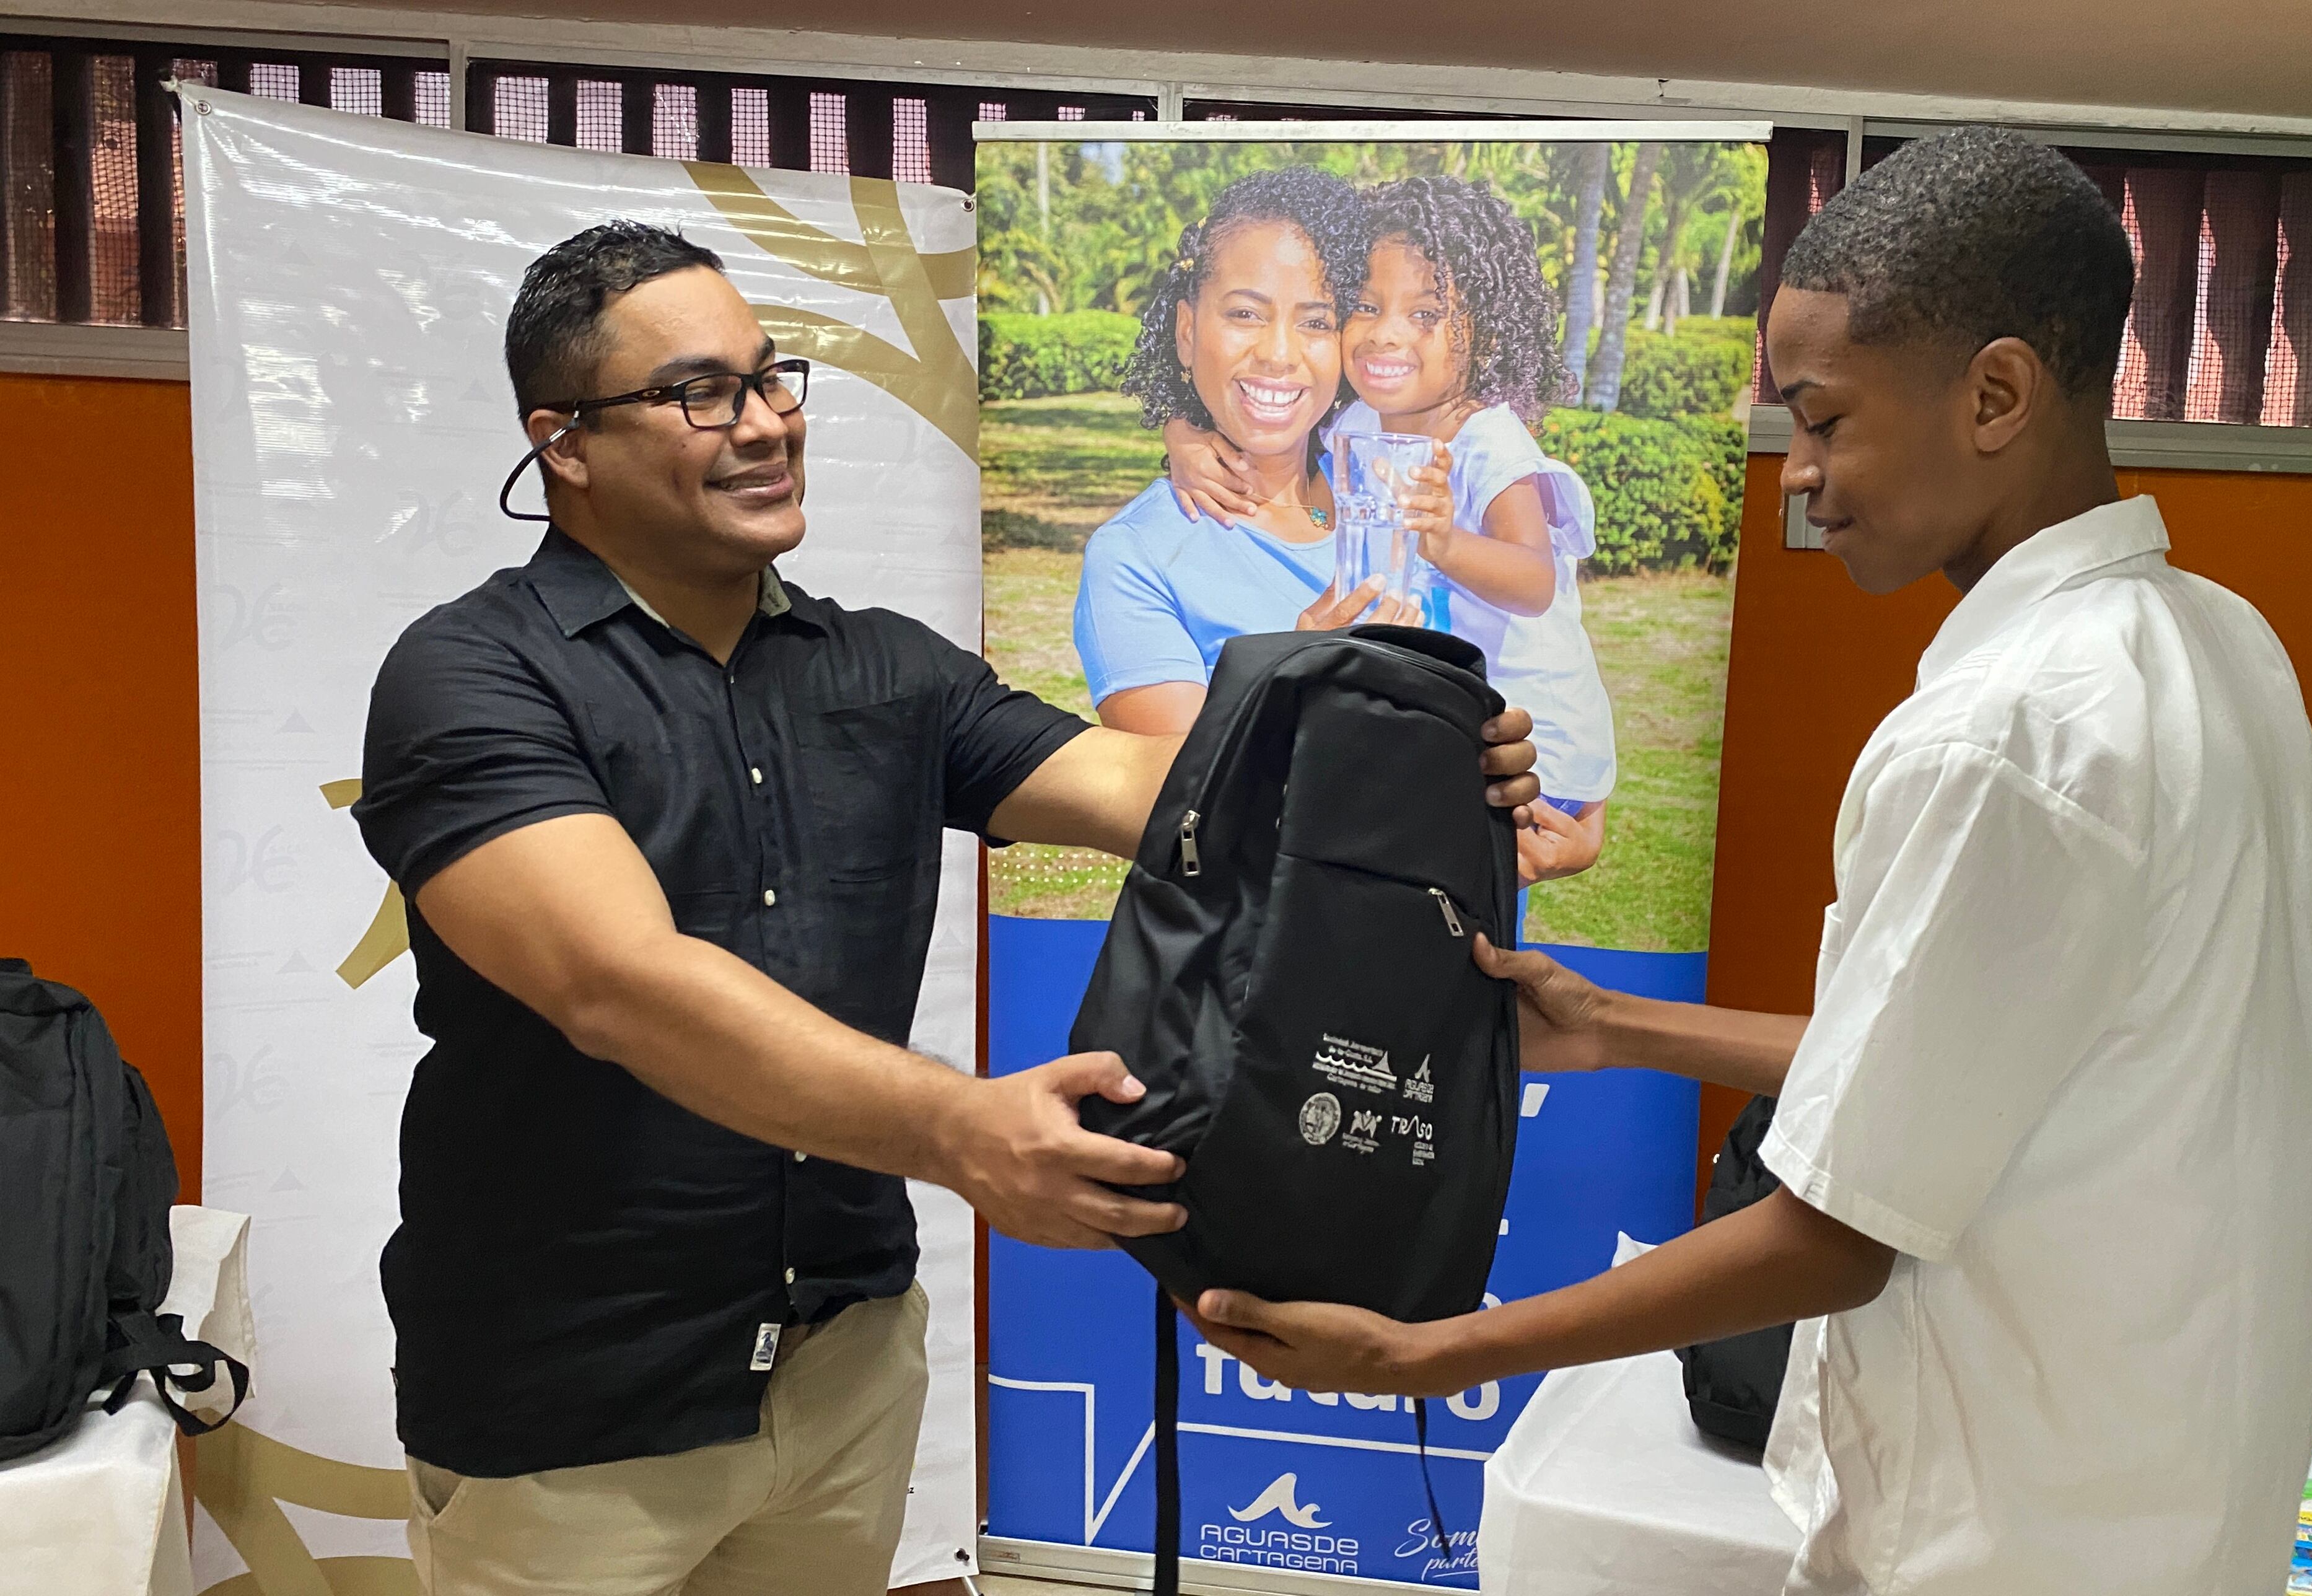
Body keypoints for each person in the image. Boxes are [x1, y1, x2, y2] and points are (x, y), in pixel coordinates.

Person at [1188, 126, 2312, 1596]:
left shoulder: (2003, 735)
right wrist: (1612, 1026)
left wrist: (1432, 1352)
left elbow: (1835, 1233)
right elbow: (1966, 1063)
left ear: (1991, 394)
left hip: (2005, 1540)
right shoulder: (2219, 649)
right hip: (2165, 1510)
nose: (1791, 474)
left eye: (1824, 419)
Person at [352, 220, 1539, 1596]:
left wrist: (1426, 768)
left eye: (771, 376)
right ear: (562, 441)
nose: (764, 423)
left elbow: (1156, 790)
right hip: (572, 1389)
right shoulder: (472, 677)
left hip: (842, 1363)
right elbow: (618, 982)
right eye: (700, 393)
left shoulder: (885, 671)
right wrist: (962, 1128)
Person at [1165, 175, 1617, 884]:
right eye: (1365, 307)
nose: (1385, 333)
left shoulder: (1487, 440)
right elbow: (1271, 437)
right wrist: (1184, 437)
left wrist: (1444, 541)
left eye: (1426, 312)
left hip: (1533, 743)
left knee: (1420, 902)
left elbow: (1535, 582)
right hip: (1456, 726)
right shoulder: (1360, 423)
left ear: (1485, 330)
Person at [1073, 165, 1412, 744]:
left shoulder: (1391, 495)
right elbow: (1181, 801)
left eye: (1316, 321)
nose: (1279, 353)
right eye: (1246, 314)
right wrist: (1297, 671)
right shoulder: (1136, 557)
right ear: (1187, 332)